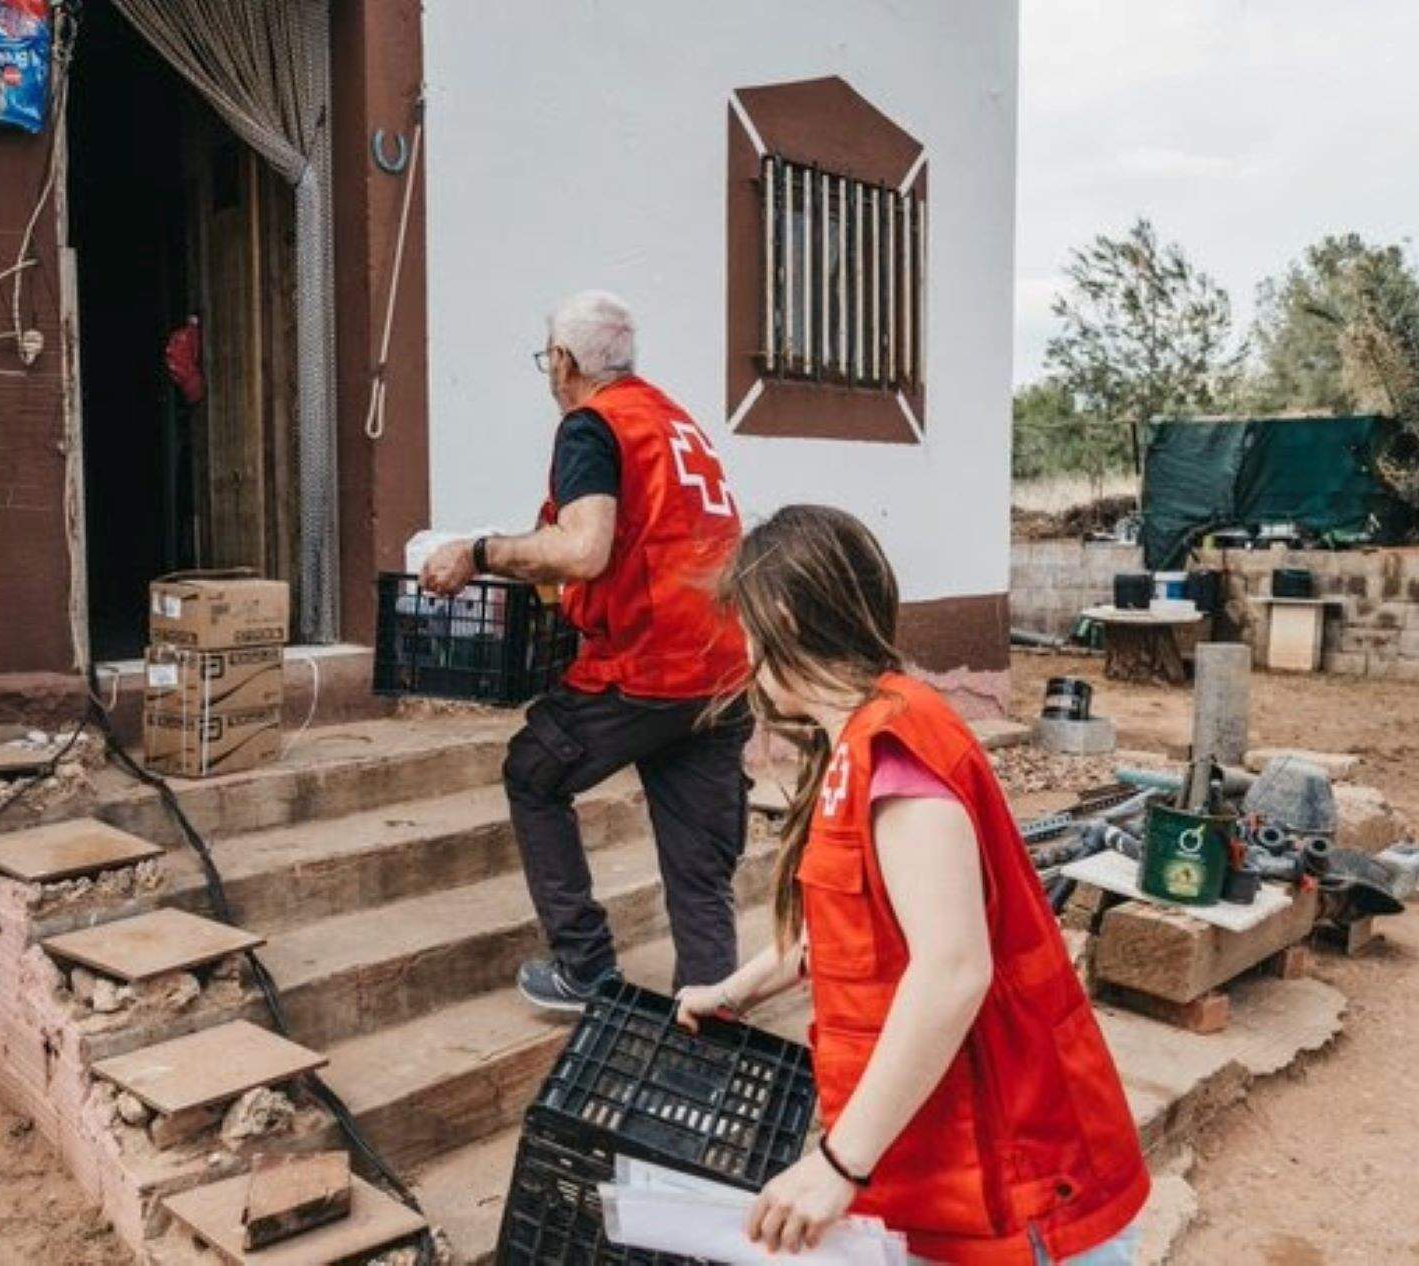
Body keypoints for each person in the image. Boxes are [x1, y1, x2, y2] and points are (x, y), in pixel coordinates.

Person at [676, 505, 1148, 1264]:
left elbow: (953, 967)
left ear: (787, 617)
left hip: (1014, 1177)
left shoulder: (896, 750)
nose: (747, 652)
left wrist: (837, 1165)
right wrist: (735, 992)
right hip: (941, 1166)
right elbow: (849, 928)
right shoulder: (857, 743)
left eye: (750, 630)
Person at [419, 290, 752, 1011]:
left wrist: (478, 552)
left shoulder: (591, 427)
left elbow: (583, 550)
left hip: (645, 666)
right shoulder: (671, 419)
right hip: (722, 668)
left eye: (549, 359)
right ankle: (708, 1014)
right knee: (699, 866)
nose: (549, 373)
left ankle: (584, 967)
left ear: (564, 362)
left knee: (533, 774)